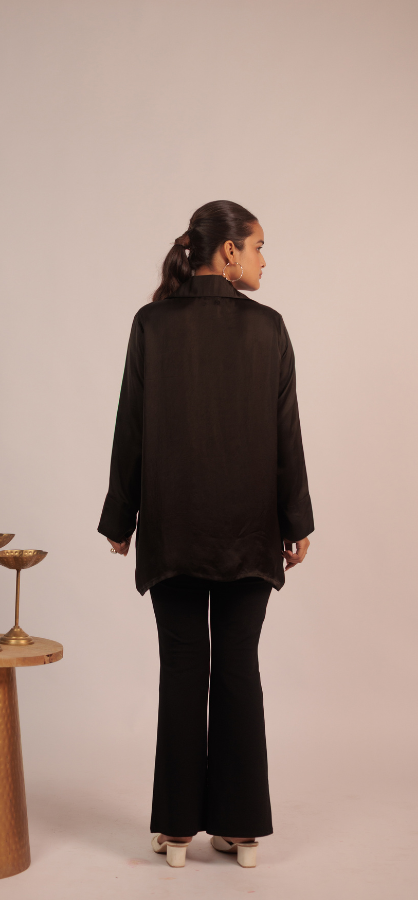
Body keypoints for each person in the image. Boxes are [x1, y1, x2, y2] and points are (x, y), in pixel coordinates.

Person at [97, 200, 314, 869]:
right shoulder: (268, 328)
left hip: (174, 530)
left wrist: (120, 518)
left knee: (183, 669)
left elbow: (131, 425)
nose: (264, 260)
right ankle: (242, 831)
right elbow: (285, 433)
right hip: (250, 532)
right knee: (240, 668)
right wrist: (296, 521)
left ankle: (175, 832)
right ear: (228, 251)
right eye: (258, 246)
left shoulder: (152, 324)